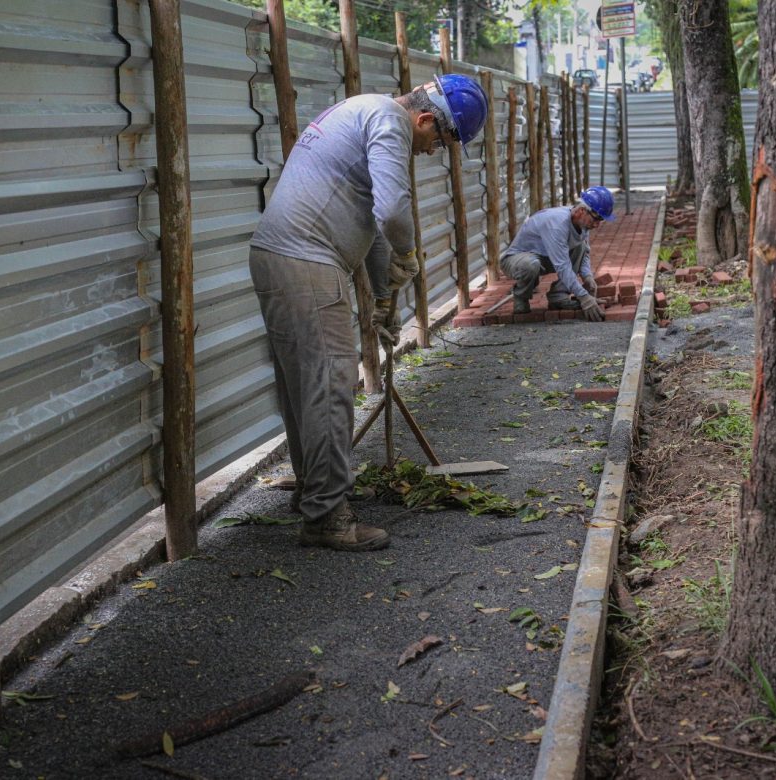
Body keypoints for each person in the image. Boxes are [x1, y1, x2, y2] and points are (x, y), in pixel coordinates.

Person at [249, 75, 489, 551]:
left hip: (283, 256)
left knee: (306, 388)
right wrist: (410, 253)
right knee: (330, 386)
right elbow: (394, 213)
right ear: (423, 119)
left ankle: (315, 494)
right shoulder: (387, 120)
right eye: (439, 141)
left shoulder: (362, 109)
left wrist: (383, 296)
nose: (432, 152)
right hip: (305, 262)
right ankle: (327, 518)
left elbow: (371, 218)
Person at [500, 186, 616, 321]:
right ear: (582, 211)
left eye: (601, 220)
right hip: (517, 260)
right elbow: (562, 266)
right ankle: (521, 297)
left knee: (580, 246)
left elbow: (584, 253)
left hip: (545, 257)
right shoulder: (557, 225)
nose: (597, 225)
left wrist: (587, 277)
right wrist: (584, 297)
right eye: (596, 219)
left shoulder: (582, 223)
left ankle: (558, 297)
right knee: (531, 265)